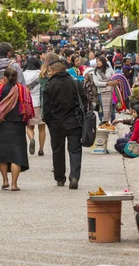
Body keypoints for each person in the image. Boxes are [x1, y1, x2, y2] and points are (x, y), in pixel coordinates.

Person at [43, 60, 88, 190]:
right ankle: (74, 176)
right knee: (75, 150)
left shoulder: (50, 85)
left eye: (50, 71)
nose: (48, 73)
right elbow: (84, 100)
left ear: (56, 71)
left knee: (58, 150)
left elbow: (46, 106)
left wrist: (48, 120)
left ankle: (60, 177)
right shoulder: (74, 82)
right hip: (73, 121)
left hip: (56, 122)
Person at [0, 68, 34, 191]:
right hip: (17, 125)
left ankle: (5, 181)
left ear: (5, 77)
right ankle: (14, 184)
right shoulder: (23, 90)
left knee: (2, 154)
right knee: (16, 155)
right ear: (17, 77)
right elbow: (28, 108)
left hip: (1, 125)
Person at [23, 57, 46, 156]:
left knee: (29, 126)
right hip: (39, 103)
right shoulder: (41, 74)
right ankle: (41, 149)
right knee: (42, 128)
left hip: (28, 103)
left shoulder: (23, 74)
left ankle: (32, 139)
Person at [93, 56, 116, 123]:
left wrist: (114, 82)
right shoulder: (96, 71)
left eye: (99, 61)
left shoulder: (109, 69)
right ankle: (104, 122)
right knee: (103, 109)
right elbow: (96, 83)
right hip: (101, 92)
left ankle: (113, 122)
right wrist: (107, 83)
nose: (98, 62)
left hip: (111, 91)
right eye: (97, 61)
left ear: (103, 61)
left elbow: (114, 76)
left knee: (112, 108)